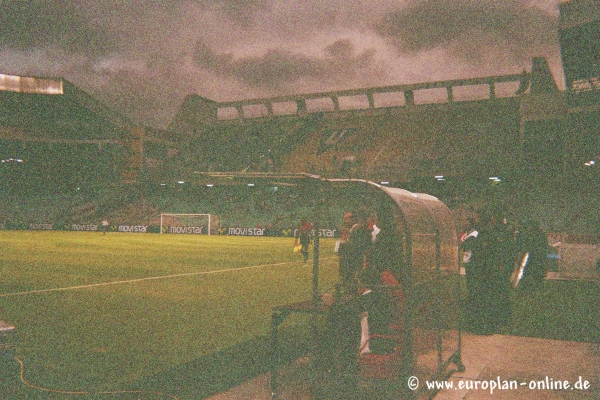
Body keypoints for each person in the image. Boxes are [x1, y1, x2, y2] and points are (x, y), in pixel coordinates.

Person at [468, 208, 516, 334]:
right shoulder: (493, 234)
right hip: (491, 271)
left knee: (484, 299)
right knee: (490, 298)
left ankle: (484, 326)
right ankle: (491, 324)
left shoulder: (482, 234)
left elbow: (478, 255)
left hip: (484, 272)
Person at [515, 220, 548, 291]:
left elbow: (527, 248)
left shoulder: (532, 236)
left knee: (528, 274)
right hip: (540, 260)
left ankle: (525, 290)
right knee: (538, 277)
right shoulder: (542, 235)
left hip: (533, 259)